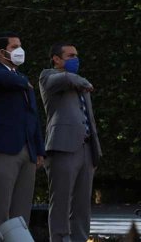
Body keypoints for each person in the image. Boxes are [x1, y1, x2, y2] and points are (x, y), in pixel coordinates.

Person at [0, 31, 45, 241]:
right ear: (2, 52)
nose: (20, 50)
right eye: (14, 46)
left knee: (22, 211)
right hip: (1, 149)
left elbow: (33, 117)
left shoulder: (23, 80)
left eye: (20, 45)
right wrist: (23, 83)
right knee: (0, 208)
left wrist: (39, 150)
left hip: (28, 151)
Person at [39, 43, 102, 242]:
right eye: (70, 55)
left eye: (77, 55)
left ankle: (80, 239)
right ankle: (59, 239)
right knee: (61, 201)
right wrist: (82, 80)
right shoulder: (48, 76)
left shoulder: (80, 85)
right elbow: (64, 78)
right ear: (56, 59)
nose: (76, 59)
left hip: (86, 148)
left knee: (82, 204)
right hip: (62, 147)